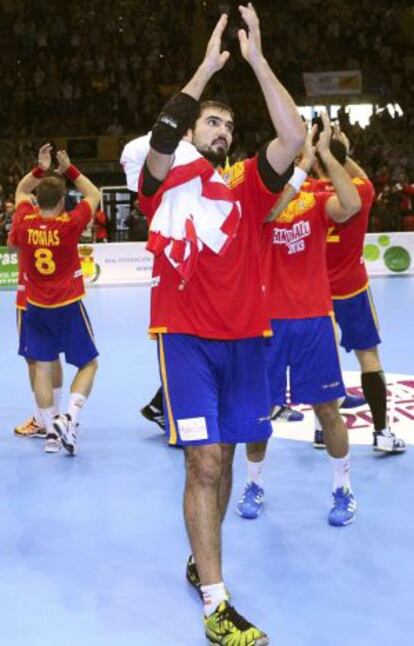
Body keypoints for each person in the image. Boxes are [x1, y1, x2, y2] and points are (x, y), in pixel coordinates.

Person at [122, 7, 305, 644]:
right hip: (187, 340)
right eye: (213, 121)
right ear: (194, 129)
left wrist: (256, 62)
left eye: (229, 124)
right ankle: (217, 605)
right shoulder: (163, 181)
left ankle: (204, 564)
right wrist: (205, 69)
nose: (223, 130)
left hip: (246, 343)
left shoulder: (250, 188)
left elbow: (294, 133)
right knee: (203, 461)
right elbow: (165, 131)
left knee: (223, 462)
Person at [238, 116, 361, 526]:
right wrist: (303, 165)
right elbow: (271, 211)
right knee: (260, 411)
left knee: (328, 409)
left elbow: (352, 205)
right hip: (267, 322)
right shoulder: (258, 198)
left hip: (312, 320)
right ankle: (254, 484)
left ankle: (342, 489)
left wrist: (325, 153)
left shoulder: (315, 196)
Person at [308, 128, 406, 454]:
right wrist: (342, 154)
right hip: (352, 289)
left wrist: (319, 154)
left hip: (316, 291)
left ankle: (322, 430)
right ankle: (382, 433)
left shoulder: (306, 195)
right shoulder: (360, 192)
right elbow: (362, 177)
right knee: (369, 358)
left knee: (322, 357)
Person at [9, 144, 101, 455]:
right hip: (67, 305)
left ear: (37, 200)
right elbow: (93, 195)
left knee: (43, 370)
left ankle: (50, 433)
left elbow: (21, 189)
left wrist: (40, 168)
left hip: (35, 307)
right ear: (62, 201)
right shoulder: (70, 224)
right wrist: (69, 169)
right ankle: (70, 417)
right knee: (88, 364)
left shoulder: (24, 220)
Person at [8, 202, 64, 440]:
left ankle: (42, 420)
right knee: (53, 358)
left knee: (35, 362)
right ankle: (57, 415)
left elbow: (11, 247)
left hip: (29, 298)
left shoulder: (24, 219)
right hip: (59, 299)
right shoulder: (61, 222)